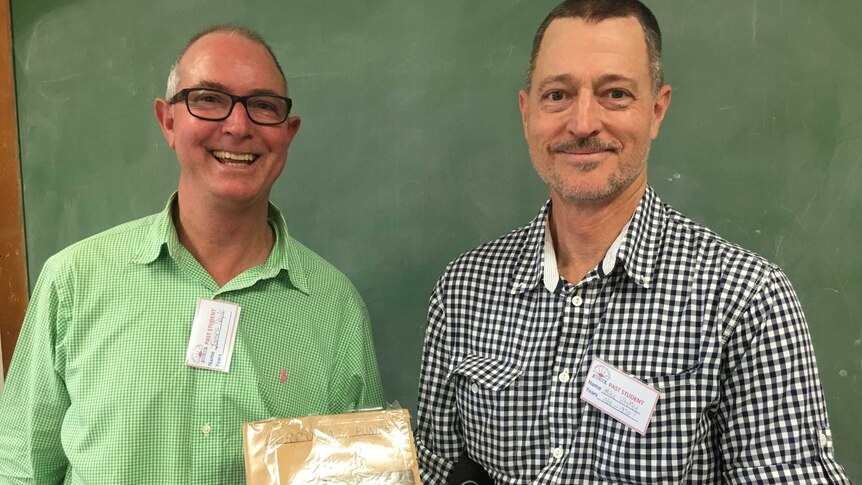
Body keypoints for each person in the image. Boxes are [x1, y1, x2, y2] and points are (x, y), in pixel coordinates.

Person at [414, 1, 850, 483]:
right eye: (557, 95)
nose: (582, 123)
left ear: (657, 111)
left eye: (615, 94)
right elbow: (437, 471)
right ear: (527, 112)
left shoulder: (746, 301)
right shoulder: (462, 292)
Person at [0, 26, 383, 483]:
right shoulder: (73, 281)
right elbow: (21, 469)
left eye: (263, 106)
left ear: (288, 133)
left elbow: (360, 477)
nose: (238, 126)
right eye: (208, 98)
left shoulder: (334, 306)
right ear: (168, 121)